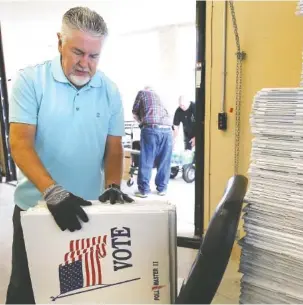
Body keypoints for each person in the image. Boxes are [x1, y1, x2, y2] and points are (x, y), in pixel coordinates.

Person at [6, 7, 133, 304]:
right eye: (78, 52)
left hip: (86, 212)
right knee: (27, 291)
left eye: (94, 56)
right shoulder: (30, 81)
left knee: (75, 290)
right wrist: (52, 191)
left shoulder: (110, 90)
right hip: (35, 208)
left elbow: (113, 147)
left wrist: (113, 184)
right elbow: (20, 143)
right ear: (59, 42)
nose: (85, 64)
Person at [132, 86, 173, 198]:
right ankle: (162, 188)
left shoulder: (142, 92)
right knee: (164, 160)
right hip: (168, 129)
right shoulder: (161, 97)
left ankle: (144, 190)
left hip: (151, 128)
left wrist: (141, 123)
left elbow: (135, 113)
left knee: (147, 159)